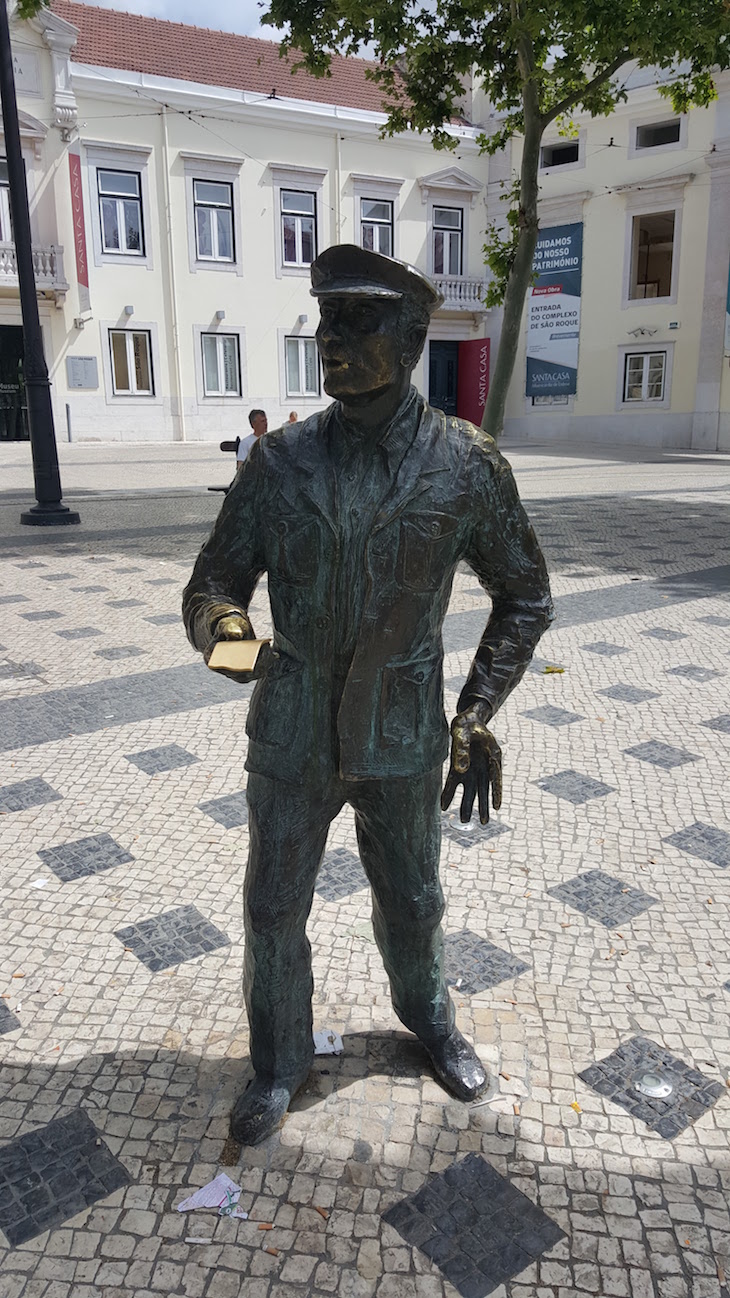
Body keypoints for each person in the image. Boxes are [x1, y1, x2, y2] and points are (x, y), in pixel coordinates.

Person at [183, 245, 553, 1146]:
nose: (331, 341)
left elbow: (527, 596)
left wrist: (472, 715)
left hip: (401, 730)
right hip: (293, 729)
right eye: (327, 322)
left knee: (415, 901)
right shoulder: (276, 464)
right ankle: (277, 1062)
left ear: (414, 338)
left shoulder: (468, 465)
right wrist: (234, 647)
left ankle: (428, 1019)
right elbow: (211, 587)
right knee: (273, 908)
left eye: (357, 324)